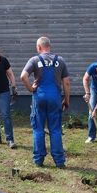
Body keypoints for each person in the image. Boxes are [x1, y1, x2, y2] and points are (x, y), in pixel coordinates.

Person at [20, 36, 71, 167]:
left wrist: (31, 89)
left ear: (39, 47)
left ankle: (38, 160)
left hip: (40, 98)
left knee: (38, 129)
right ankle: (59, 161)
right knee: (55, 130)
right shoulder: (60, 60)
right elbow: (66, 82)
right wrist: (67, 100)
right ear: (49, 46)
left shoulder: (34, 60)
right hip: (55, 98)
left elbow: (23, 76)